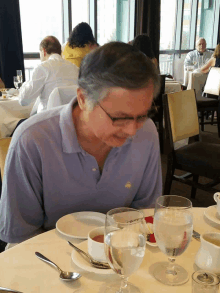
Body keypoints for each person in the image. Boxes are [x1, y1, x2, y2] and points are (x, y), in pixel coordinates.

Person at [0, 42, 162, 244]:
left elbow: (144, 217)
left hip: (119, 254)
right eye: (120, 118)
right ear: (83, 98)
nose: (132, 131)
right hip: (49, 259)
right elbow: (21, 238)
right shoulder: (32, 141)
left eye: (142, 116)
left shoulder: (146, 133)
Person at [18, 36, 79, 114]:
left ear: (43, 51)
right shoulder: (75, 68)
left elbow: (23, 101)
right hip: (69, 120)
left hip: (46, 121)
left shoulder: (42, 68)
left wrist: (25, 85)